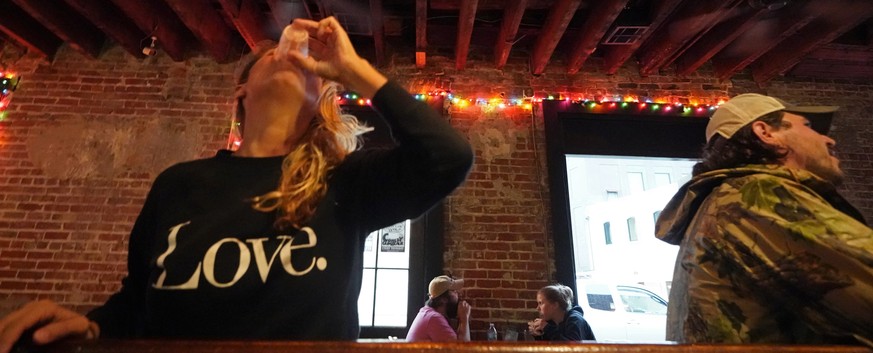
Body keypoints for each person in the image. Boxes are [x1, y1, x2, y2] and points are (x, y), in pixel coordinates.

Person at [0, 16, 473, 352]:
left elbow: (447, 158)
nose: (295, 59)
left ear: (322, 98)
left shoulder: (344, 182)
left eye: (311, 66)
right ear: (242, 90)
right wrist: (91, 327)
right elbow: (139, 300)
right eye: (275, 56)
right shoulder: (179, 184)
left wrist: (354, 70)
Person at [655, 93, 873, 345]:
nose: (829, 139)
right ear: (765, 132)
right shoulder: (757, 195)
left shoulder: (723, 200)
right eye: (808, 126)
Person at [405, 276, 471, 342]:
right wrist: (464, 318)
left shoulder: (427, 313)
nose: (458, 294)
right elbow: (461, 349)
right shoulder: (433, 318)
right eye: (454, 291)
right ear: (443, 299)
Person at [527, 284, 595, 341]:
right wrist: (538, 335)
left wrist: (547, 328)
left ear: (555, 305)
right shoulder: (552, 323)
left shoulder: (575, 320)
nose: (537, 308)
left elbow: (573, 349)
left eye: (540, 303)